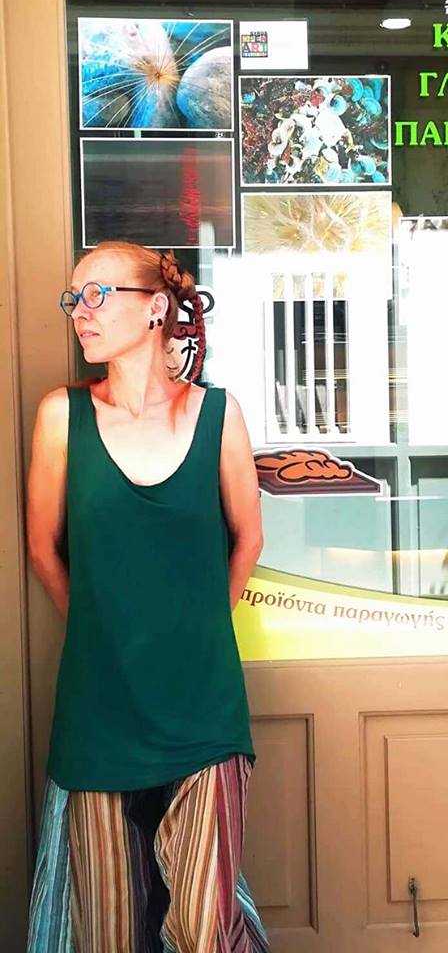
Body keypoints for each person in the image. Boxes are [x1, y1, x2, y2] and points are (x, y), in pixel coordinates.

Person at [25, 241, 269, 952]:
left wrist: (194, 629)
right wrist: (105, 632)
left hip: (203, 710)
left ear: (156, 307)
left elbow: (248, 539)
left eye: (97, 294)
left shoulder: (218, 415)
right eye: (74, 299)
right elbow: (44, 549)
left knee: (202, 926)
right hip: (99, 711)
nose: (81, 312)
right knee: (108, 931)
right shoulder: (62, 417)